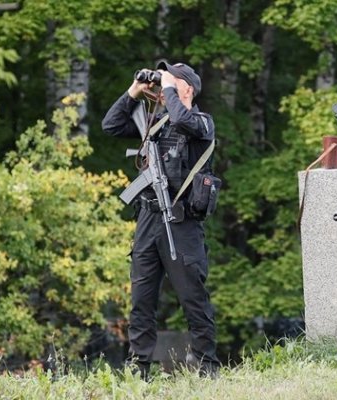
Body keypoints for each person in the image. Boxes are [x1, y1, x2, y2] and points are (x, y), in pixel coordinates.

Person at [102, 61, 220, 379]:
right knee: (141, 297)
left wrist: (167, 87)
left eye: (173, 80)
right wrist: (134, 91)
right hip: (148, 219)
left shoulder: (201, 123)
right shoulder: (156, 121)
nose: (164, 83)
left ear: (188, 89)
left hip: (181, 222)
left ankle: (208, 364)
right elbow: (110, 125)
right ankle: (139, 366)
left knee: (192, 296)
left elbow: (183, 117)